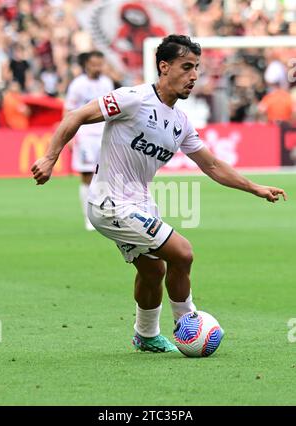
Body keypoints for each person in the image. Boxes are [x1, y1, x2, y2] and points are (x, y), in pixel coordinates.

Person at [31, 35, 287, 353]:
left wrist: (255, 188)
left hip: (139, 203)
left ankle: (146, 335)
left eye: (197, 68)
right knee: (183, 253)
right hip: (110, 202)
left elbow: (213, 165)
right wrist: (50, 157)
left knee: (154, 269)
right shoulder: (133, 99)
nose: (194, 76)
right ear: (164, 67)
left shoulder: (180, 122)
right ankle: (188, 326)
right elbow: (76, 116)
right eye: (186, 67)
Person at [64, 51, 114, 230]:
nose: (98, 67)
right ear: (86, 65)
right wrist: (69, 136)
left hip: (104, 135)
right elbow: (69, 110)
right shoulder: (77, 85)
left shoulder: (107, 82)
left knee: (105, 176)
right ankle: (88, 217)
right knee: (86, 176)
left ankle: (103, 213)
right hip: (85, 136)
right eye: (94, 64)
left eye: (100, 64)